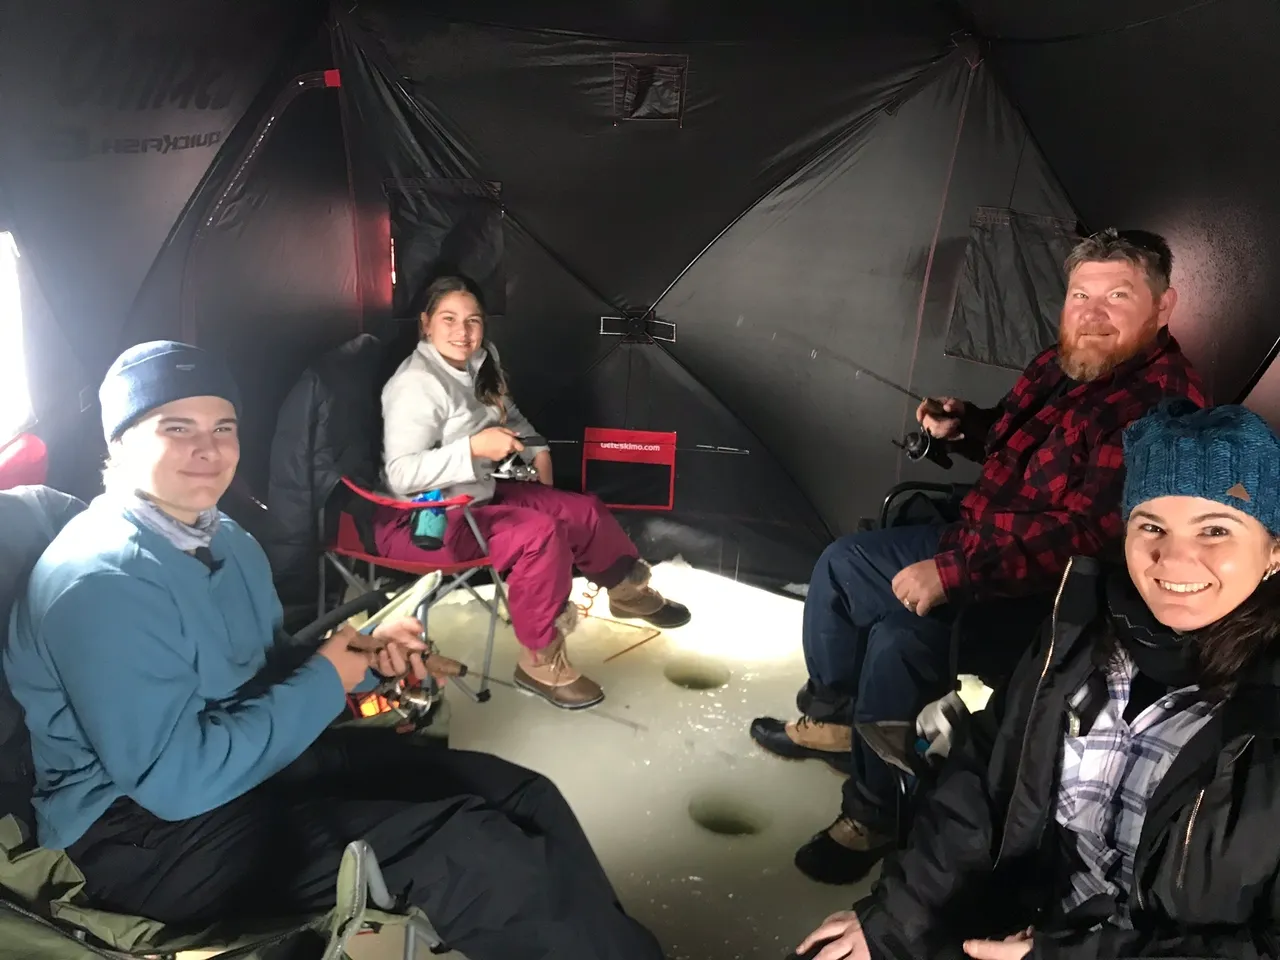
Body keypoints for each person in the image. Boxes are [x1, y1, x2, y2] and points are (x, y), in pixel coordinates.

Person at [2, 341, 665, 960]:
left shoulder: (222, 537)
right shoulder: (98, 582)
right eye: (176, 427)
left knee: (524, 797)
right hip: (146, 836)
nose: (207, 449)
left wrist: (359, 658)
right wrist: (326, 678)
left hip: (250, 766)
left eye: (224, 428)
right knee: (474, 855)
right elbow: (175, 782)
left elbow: (262, 665)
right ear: (117, 441)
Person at [752, 228, 1208, 885]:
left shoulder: (1159, 408)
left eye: (1117, 296)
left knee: (899, 639)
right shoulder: (1065, 363)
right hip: (981, 536)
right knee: (844, 566)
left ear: (1163, 307)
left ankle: (875, 812)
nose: (1092, 312)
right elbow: (1021, 442)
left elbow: (1095, 537)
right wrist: (966, 425)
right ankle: (833, 721)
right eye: (1081, 294)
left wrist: (955, 574)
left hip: (1053, 602)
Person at [791, 402, 1280, 960]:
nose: (1174, 557)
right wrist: (897, 918)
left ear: (1274, 550)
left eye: (1216, 529)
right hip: (1006, 926)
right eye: (1151, 525)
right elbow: (986, 781)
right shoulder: (1078, 634)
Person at [374, 275, 690, 710]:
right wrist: (473, 448)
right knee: (539, 535)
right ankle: (539, 662)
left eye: (473, 321)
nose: (462, 331)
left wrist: (537, 447)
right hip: (424, 517)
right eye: (448, 319)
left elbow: (510, 415)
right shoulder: (414, 385)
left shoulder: (480, 361)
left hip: (478, 492)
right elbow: (401, 474)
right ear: (426, 323)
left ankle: (626, 593)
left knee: (585, 511)